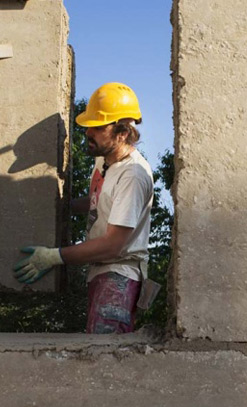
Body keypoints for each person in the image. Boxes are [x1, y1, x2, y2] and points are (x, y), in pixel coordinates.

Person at [13, 82, 153, 334]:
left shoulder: (132, 176)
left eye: (98, 127)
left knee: (104, 353)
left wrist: (54, 256)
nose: (88, 132)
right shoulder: (105, 159)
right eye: (89, 125)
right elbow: (97, 200)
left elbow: (113, 245)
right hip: (102, 272)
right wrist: (57, 207)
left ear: (122, 133)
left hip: (119, 276)